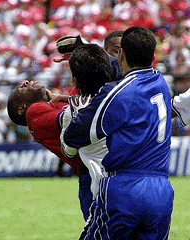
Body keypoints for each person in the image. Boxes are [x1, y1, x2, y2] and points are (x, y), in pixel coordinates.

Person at [61, 26, 174, 239]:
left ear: (121, 53)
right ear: (153, 56)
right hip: (161, 190)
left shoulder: (117, 93)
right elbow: (116, 66)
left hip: (124, 188)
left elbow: (76, 135)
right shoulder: (161, 83)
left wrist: (75, 111)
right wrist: (88, 49)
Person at [7, 80, 92, 221]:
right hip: (94, 175)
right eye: (20, 88)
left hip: (98, 171)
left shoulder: (54, 103)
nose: (25, 82)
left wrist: (66, 98)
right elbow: (72, 118)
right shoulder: (33, 113)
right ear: (22, 108)